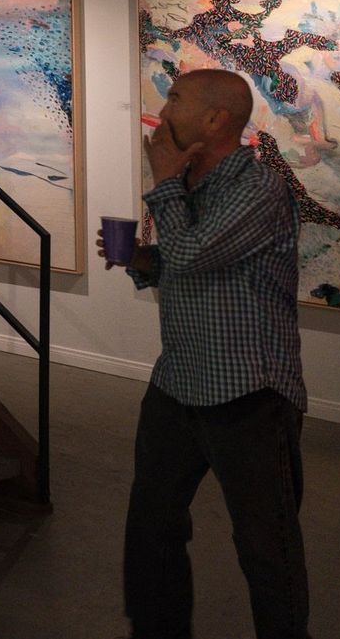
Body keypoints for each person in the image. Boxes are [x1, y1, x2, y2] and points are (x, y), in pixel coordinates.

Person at [99, 68, 308, 639]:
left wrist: (163, 180)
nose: (163, 109)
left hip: (248, 392)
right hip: (179, 382)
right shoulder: (195, 185)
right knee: (153, 525)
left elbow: (192, 255)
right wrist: (143, 259)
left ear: (216, 119)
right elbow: (187, 264)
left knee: (267, 547)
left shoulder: (258, 188)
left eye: (175, 97)